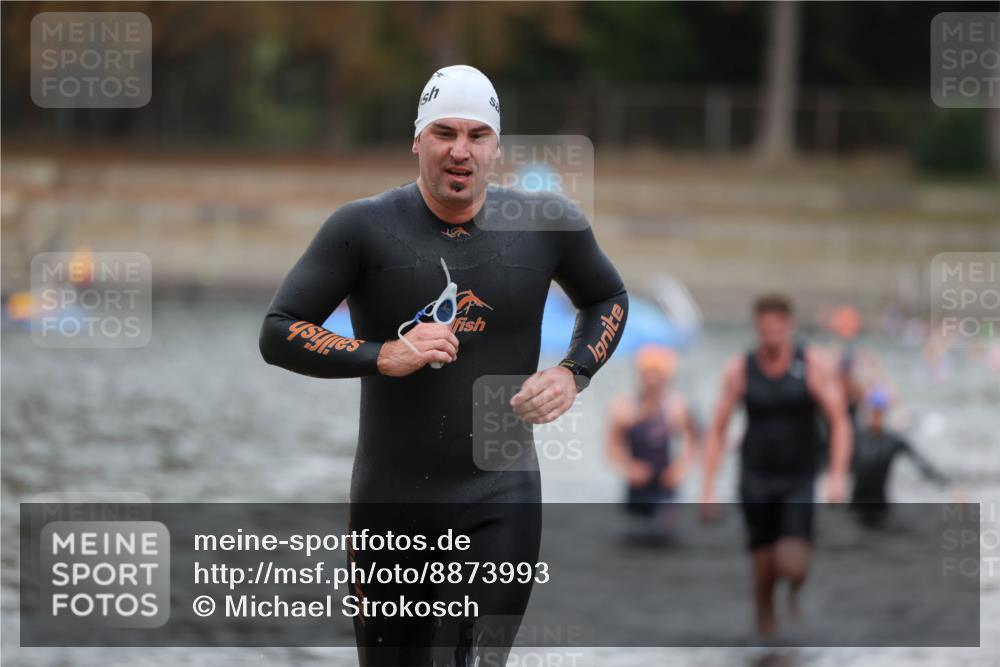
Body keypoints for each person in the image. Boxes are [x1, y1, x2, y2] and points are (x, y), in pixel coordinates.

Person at [259, 64, 628, 666]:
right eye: (444, 133)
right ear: (417, 141)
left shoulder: (545, 224)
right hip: (390, 503)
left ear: (496, 147)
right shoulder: (364, 228)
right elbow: (279, 331)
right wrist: (384, 355)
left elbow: (607, 298)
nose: (460, 150)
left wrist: (572, 371)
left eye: (477, 135)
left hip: (498, 495)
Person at [700, 294, 851, 637]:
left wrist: (838, 475)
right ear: (757, 329)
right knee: (763, 572)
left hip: (798, 477)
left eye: (777, 328)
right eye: (764, 329)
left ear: (789, 327)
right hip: (755, 477)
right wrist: (707, 489)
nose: (771, 335)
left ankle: (795, 595)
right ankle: (767, 643)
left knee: (792, 564)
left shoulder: (812, 364)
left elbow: (839, 421)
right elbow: (717, 431)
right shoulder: (740, 369)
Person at [605, 345, 698, 537]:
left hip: (665, 485)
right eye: (648, 374)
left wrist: (680, 469)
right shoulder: (624, 407)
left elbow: (691, 440)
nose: (653, 380)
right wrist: (629, 468)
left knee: (665, 532)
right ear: (640, 375)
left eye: (658, 374)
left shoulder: (676, 405)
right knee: (635, 538)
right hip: (637, 486)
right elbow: (611, 447)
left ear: (666, 377)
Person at [850, 386, 949, 527]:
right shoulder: (855, 437)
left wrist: (948, 486)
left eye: (880, 412)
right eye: (873, 411)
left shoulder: (892, 441)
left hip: (881, 508)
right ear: (866, 411)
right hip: (856, 508)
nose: (876, 416)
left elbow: (922, 464)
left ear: (885, 413)